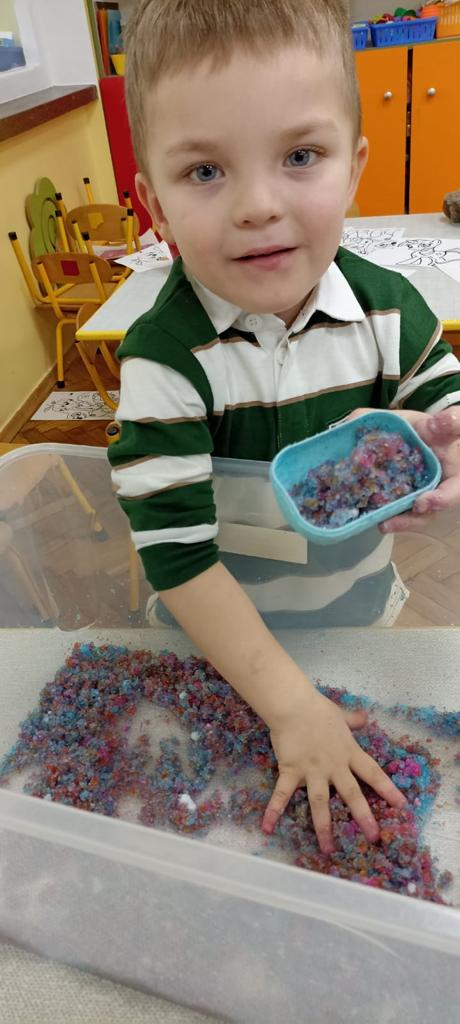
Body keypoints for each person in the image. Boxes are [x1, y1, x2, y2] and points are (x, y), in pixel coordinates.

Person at [108, 0, 460, 855]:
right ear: (155, 205)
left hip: (355, 621)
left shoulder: (392, 313)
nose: (259, 206)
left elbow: (451, 421)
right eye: (205, 171)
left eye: (300, 157)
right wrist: (291, 705)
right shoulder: (165, 362)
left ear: (354, 166)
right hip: (213, 651)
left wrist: (444, 448)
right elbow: (178, 558)